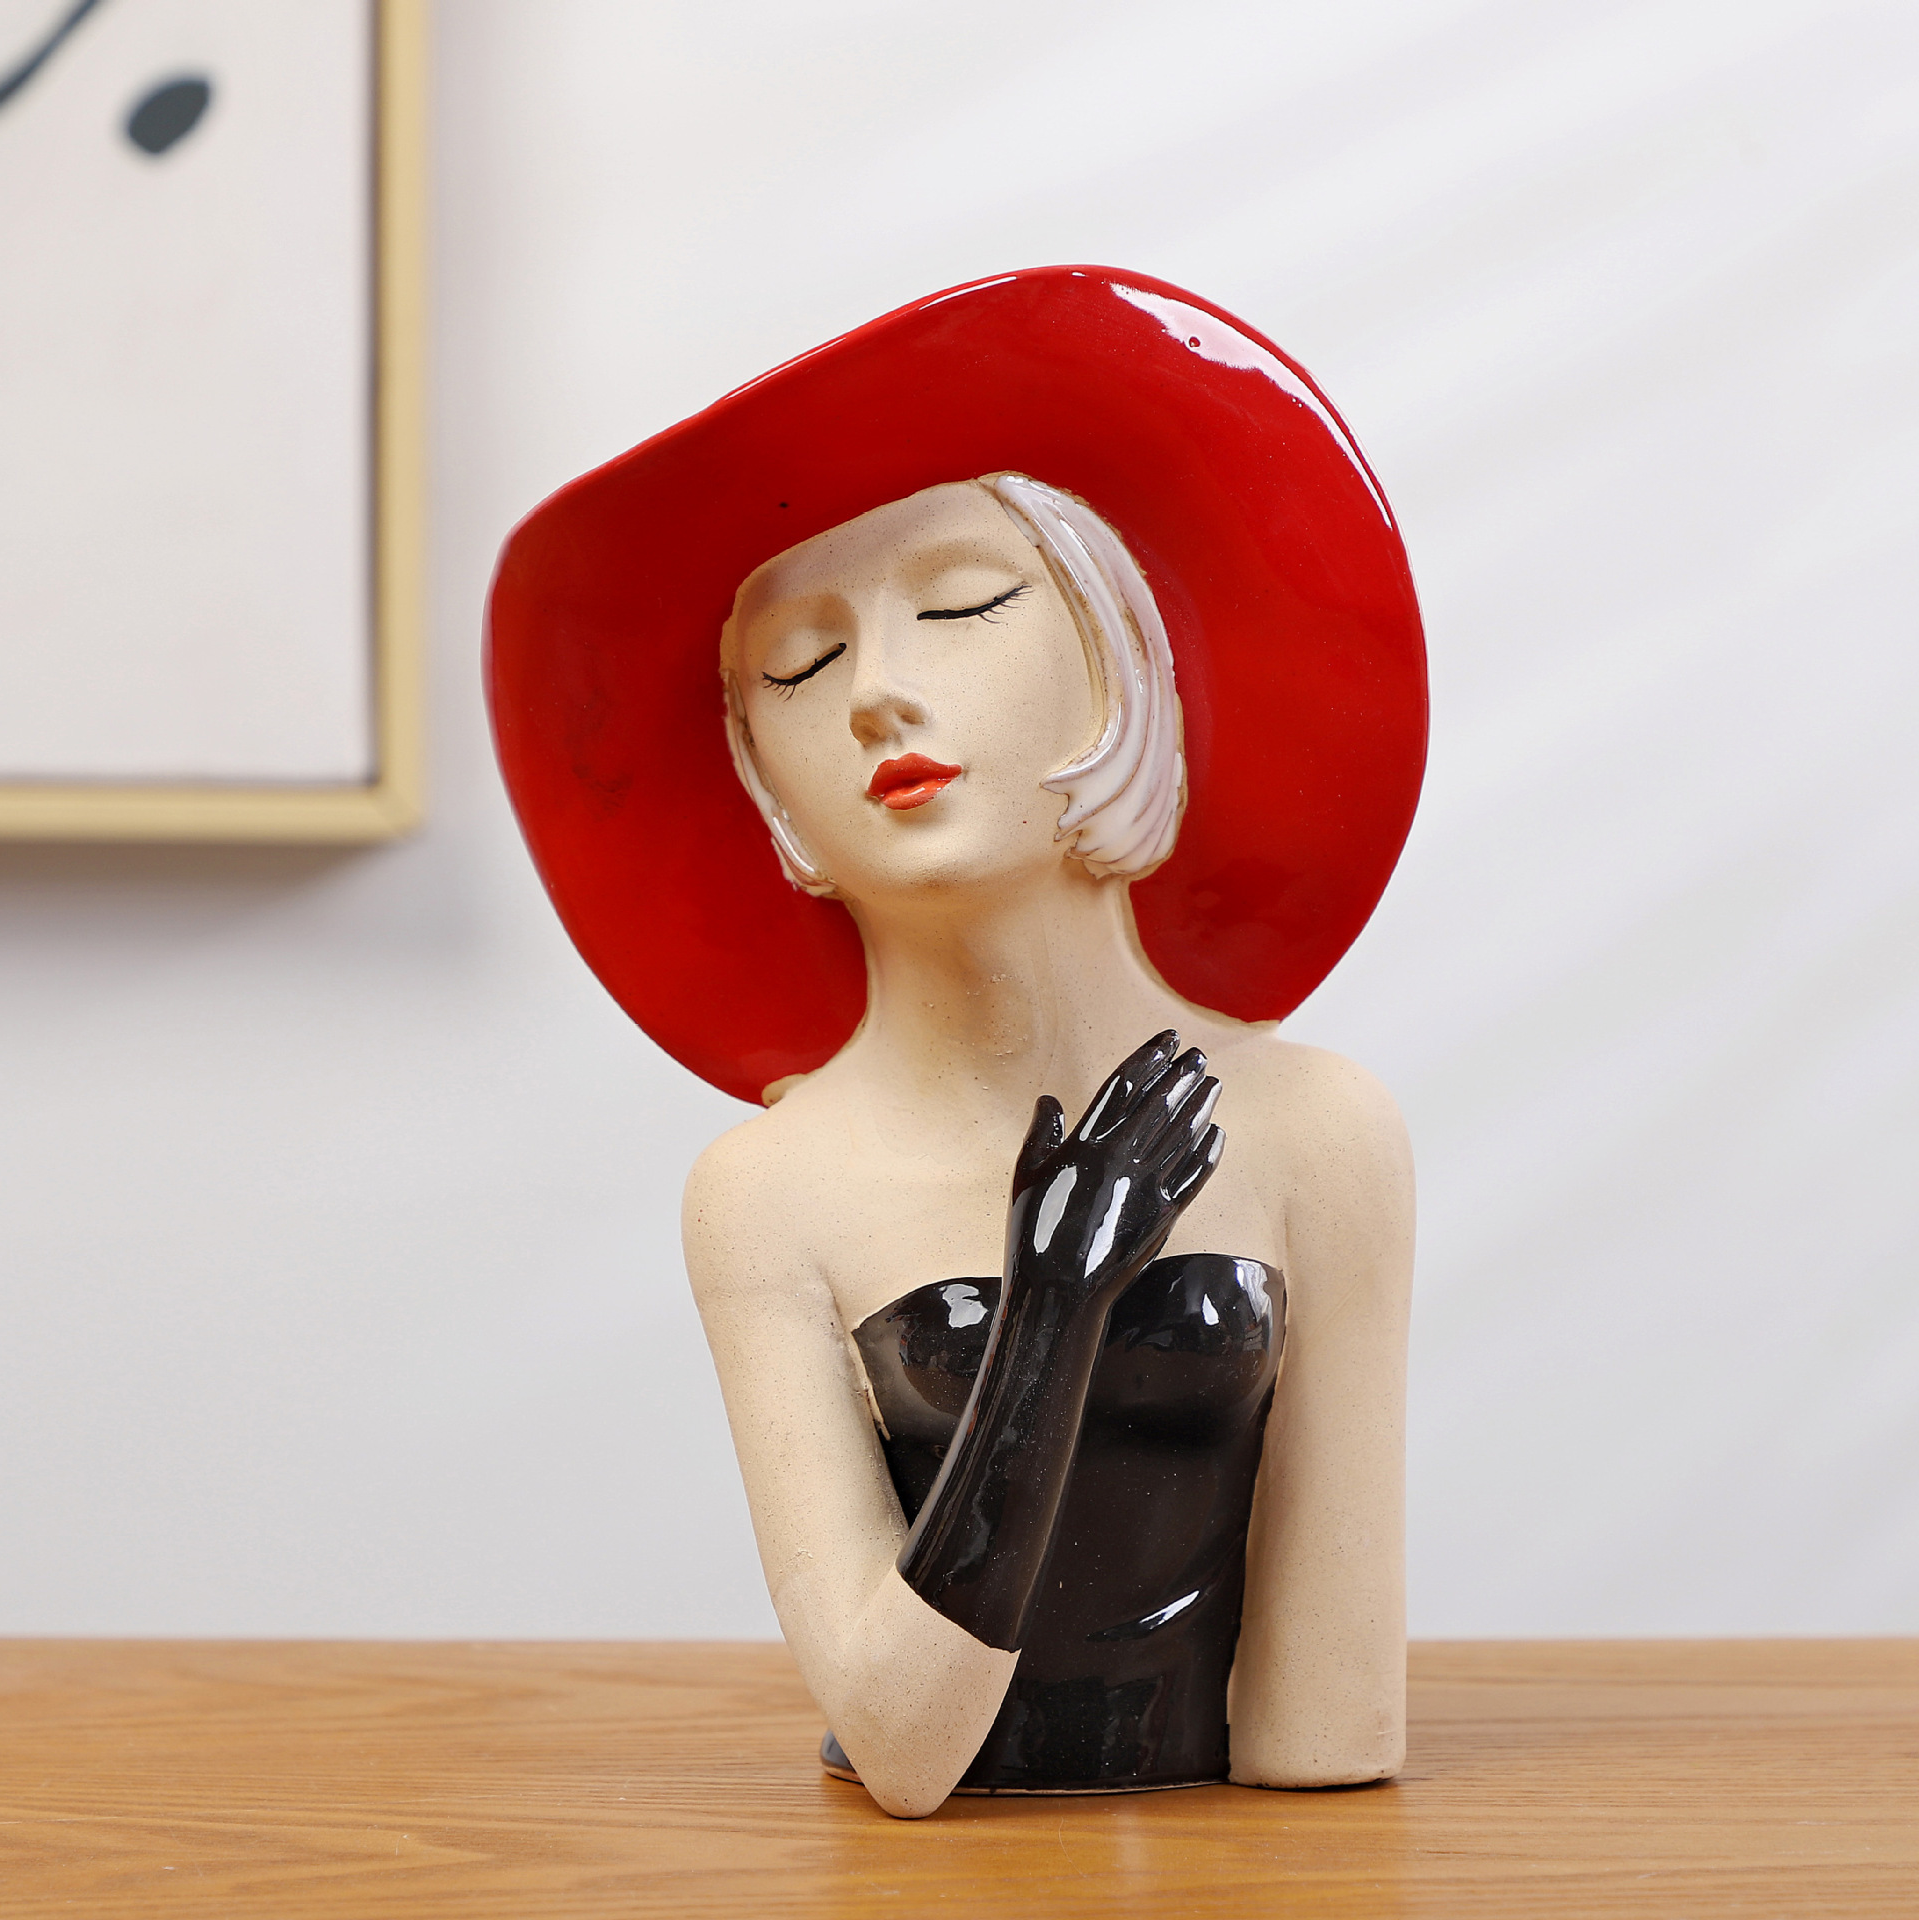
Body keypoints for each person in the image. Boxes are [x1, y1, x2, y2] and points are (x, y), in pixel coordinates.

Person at [487, 267, 1427, 1819]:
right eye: (801, 664)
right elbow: (906, 1753)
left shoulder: (1319, 1132)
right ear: (764, 779)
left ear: (1116, 658)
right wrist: (1052, 1304)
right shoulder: (766, 1192)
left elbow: (1325, 1736)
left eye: (963, 604)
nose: (877, 693)